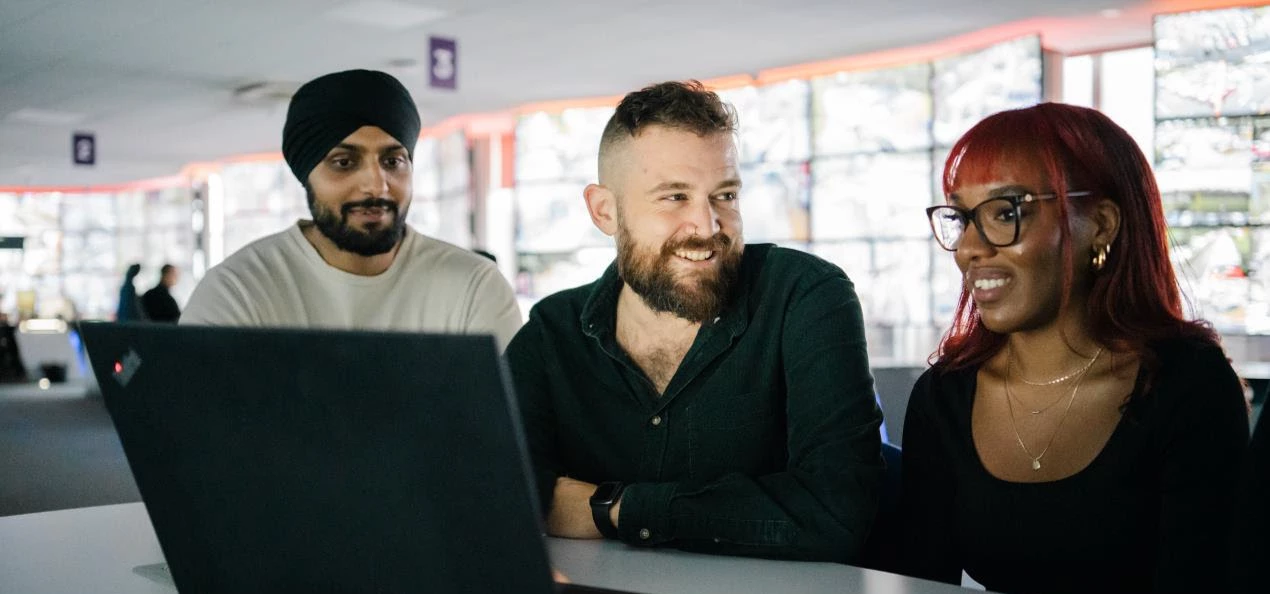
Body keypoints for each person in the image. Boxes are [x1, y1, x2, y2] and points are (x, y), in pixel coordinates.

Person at [504, 81, 882, 562]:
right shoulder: (552, 332)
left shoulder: (804, 297)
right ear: (605, 211)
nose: (707, 226)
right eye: (674, 197)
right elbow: (503, 494)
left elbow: (839, 510)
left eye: (724, 195)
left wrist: (613, 508)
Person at [900, 103, 1249, 594]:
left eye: (1006, 213)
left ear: (1102, 225)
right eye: (961, 218)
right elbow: (921, 578)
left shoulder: (1184, 383)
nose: (969, 248)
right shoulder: (945, 395)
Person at [181, 69, 521, 349]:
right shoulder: (237, 291)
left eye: (393, 160)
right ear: (306, 176)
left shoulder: (474, 288)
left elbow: (501, 428)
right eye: (344, 162)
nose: (377, 185)